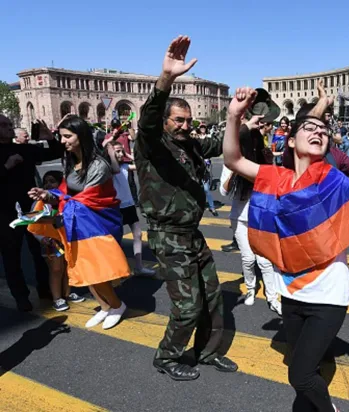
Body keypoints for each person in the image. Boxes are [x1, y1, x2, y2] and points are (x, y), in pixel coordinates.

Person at [223, 86, 349, 412]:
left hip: (329, 295)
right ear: (292, 141)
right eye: (310, 128)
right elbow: (233, 159)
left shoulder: (333, 181)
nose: (319, 132)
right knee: (303, 369)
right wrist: (233, 116)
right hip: (293, 292)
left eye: (324, 131)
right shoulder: (276, 178)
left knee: (299, 376)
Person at [134, 36, 236, 381]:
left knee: (211, 296)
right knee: (187, 307)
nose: (184, 125)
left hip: (192, 234)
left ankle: (207, 351)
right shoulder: (151, 144)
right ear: (165, 120)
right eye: (177, 120)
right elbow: (147, 119)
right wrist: (166, 79)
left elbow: (221, 145)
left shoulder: (189, 144)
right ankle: (166, 357)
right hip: (168, 236)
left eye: (187, 120)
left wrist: (239, 118)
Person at [28, 115, 130, 329]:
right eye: (61, 136)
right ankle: (104, 307)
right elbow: (68, 194)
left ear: (80, 136)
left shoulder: (98, 165)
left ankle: (117, 305)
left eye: (67, 136)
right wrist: (47, 195)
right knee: (85, 268)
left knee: (96, 269)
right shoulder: (70, 161)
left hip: (99, 224)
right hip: (79, 221)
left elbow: (85, 199)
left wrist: (54, 199)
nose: (62, 141)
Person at [219, 114, 282, 316]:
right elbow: (223, 191)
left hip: (261, 217)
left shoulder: (263, 162)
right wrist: (236, 171)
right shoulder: (232, 163)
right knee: (248, 259)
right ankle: (250, 289)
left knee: (264, 260)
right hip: (240, 217)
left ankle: (273, 297)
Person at [1, 115, 62, 311]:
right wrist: (6, 166)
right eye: (3, 125)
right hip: (6, 212)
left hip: (31, 208)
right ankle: (21, 297)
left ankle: (44, 288)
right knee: (12, 255)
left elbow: (55, 152)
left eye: (10, 124)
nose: (9, 128)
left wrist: (49, 137)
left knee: (40, 250)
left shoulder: (24, 149)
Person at [34, 170, 85, 312]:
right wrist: (42, 238)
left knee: (67, 267)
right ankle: (57, 298)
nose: (49, 184)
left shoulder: (66, 200)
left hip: (65, 241)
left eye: (52, 181)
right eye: (46, 182)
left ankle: (67, 294)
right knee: (56, 269)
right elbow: (32, 224)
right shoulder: (40, 202)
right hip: (51, 243)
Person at [106, 141, 155, 276]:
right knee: (116, 238)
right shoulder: (109, 168)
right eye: (118, 151)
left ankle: (138, 267)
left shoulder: (125, 166)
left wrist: (128, 154)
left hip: (129, 205)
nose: (121, 154)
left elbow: (142, 165)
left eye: (122, 151)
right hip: (116, 207)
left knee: (138, 234)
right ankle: (115, 268)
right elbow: (114, 168)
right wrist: (110, 152)